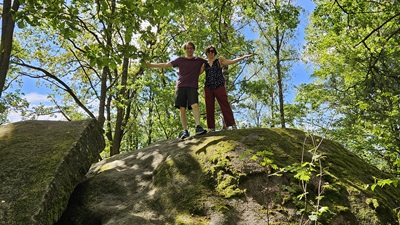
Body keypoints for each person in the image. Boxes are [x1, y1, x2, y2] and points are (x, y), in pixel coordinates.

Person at [146, 42, 207, 140]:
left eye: (191, 48)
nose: (189, 50)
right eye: (187, 48)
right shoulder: (180, 60)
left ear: (194, 49)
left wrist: (203, 69)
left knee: (195, 105)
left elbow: (210, 62)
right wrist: (151, 65)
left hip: (192, 86)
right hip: (181, 86)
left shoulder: (199, 60)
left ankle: (198, 127)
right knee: (182, 108)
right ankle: (185, 131)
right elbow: (166, 65)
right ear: (185, 50)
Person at [202, 45, 253, 131]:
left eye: (213, 51)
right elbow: (196, 73)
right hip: (208, 87)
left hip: (219, 86)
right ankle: (211, 128)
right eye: (209, 51)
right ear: (206, 53)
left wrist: (243, 57)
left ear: (215, 53)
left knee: (225, 104)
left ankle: (232, 124)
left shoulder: (219, 60)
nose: (211, 53)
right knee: (209, 107)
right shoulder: (204, 64)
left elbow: (232, 62)